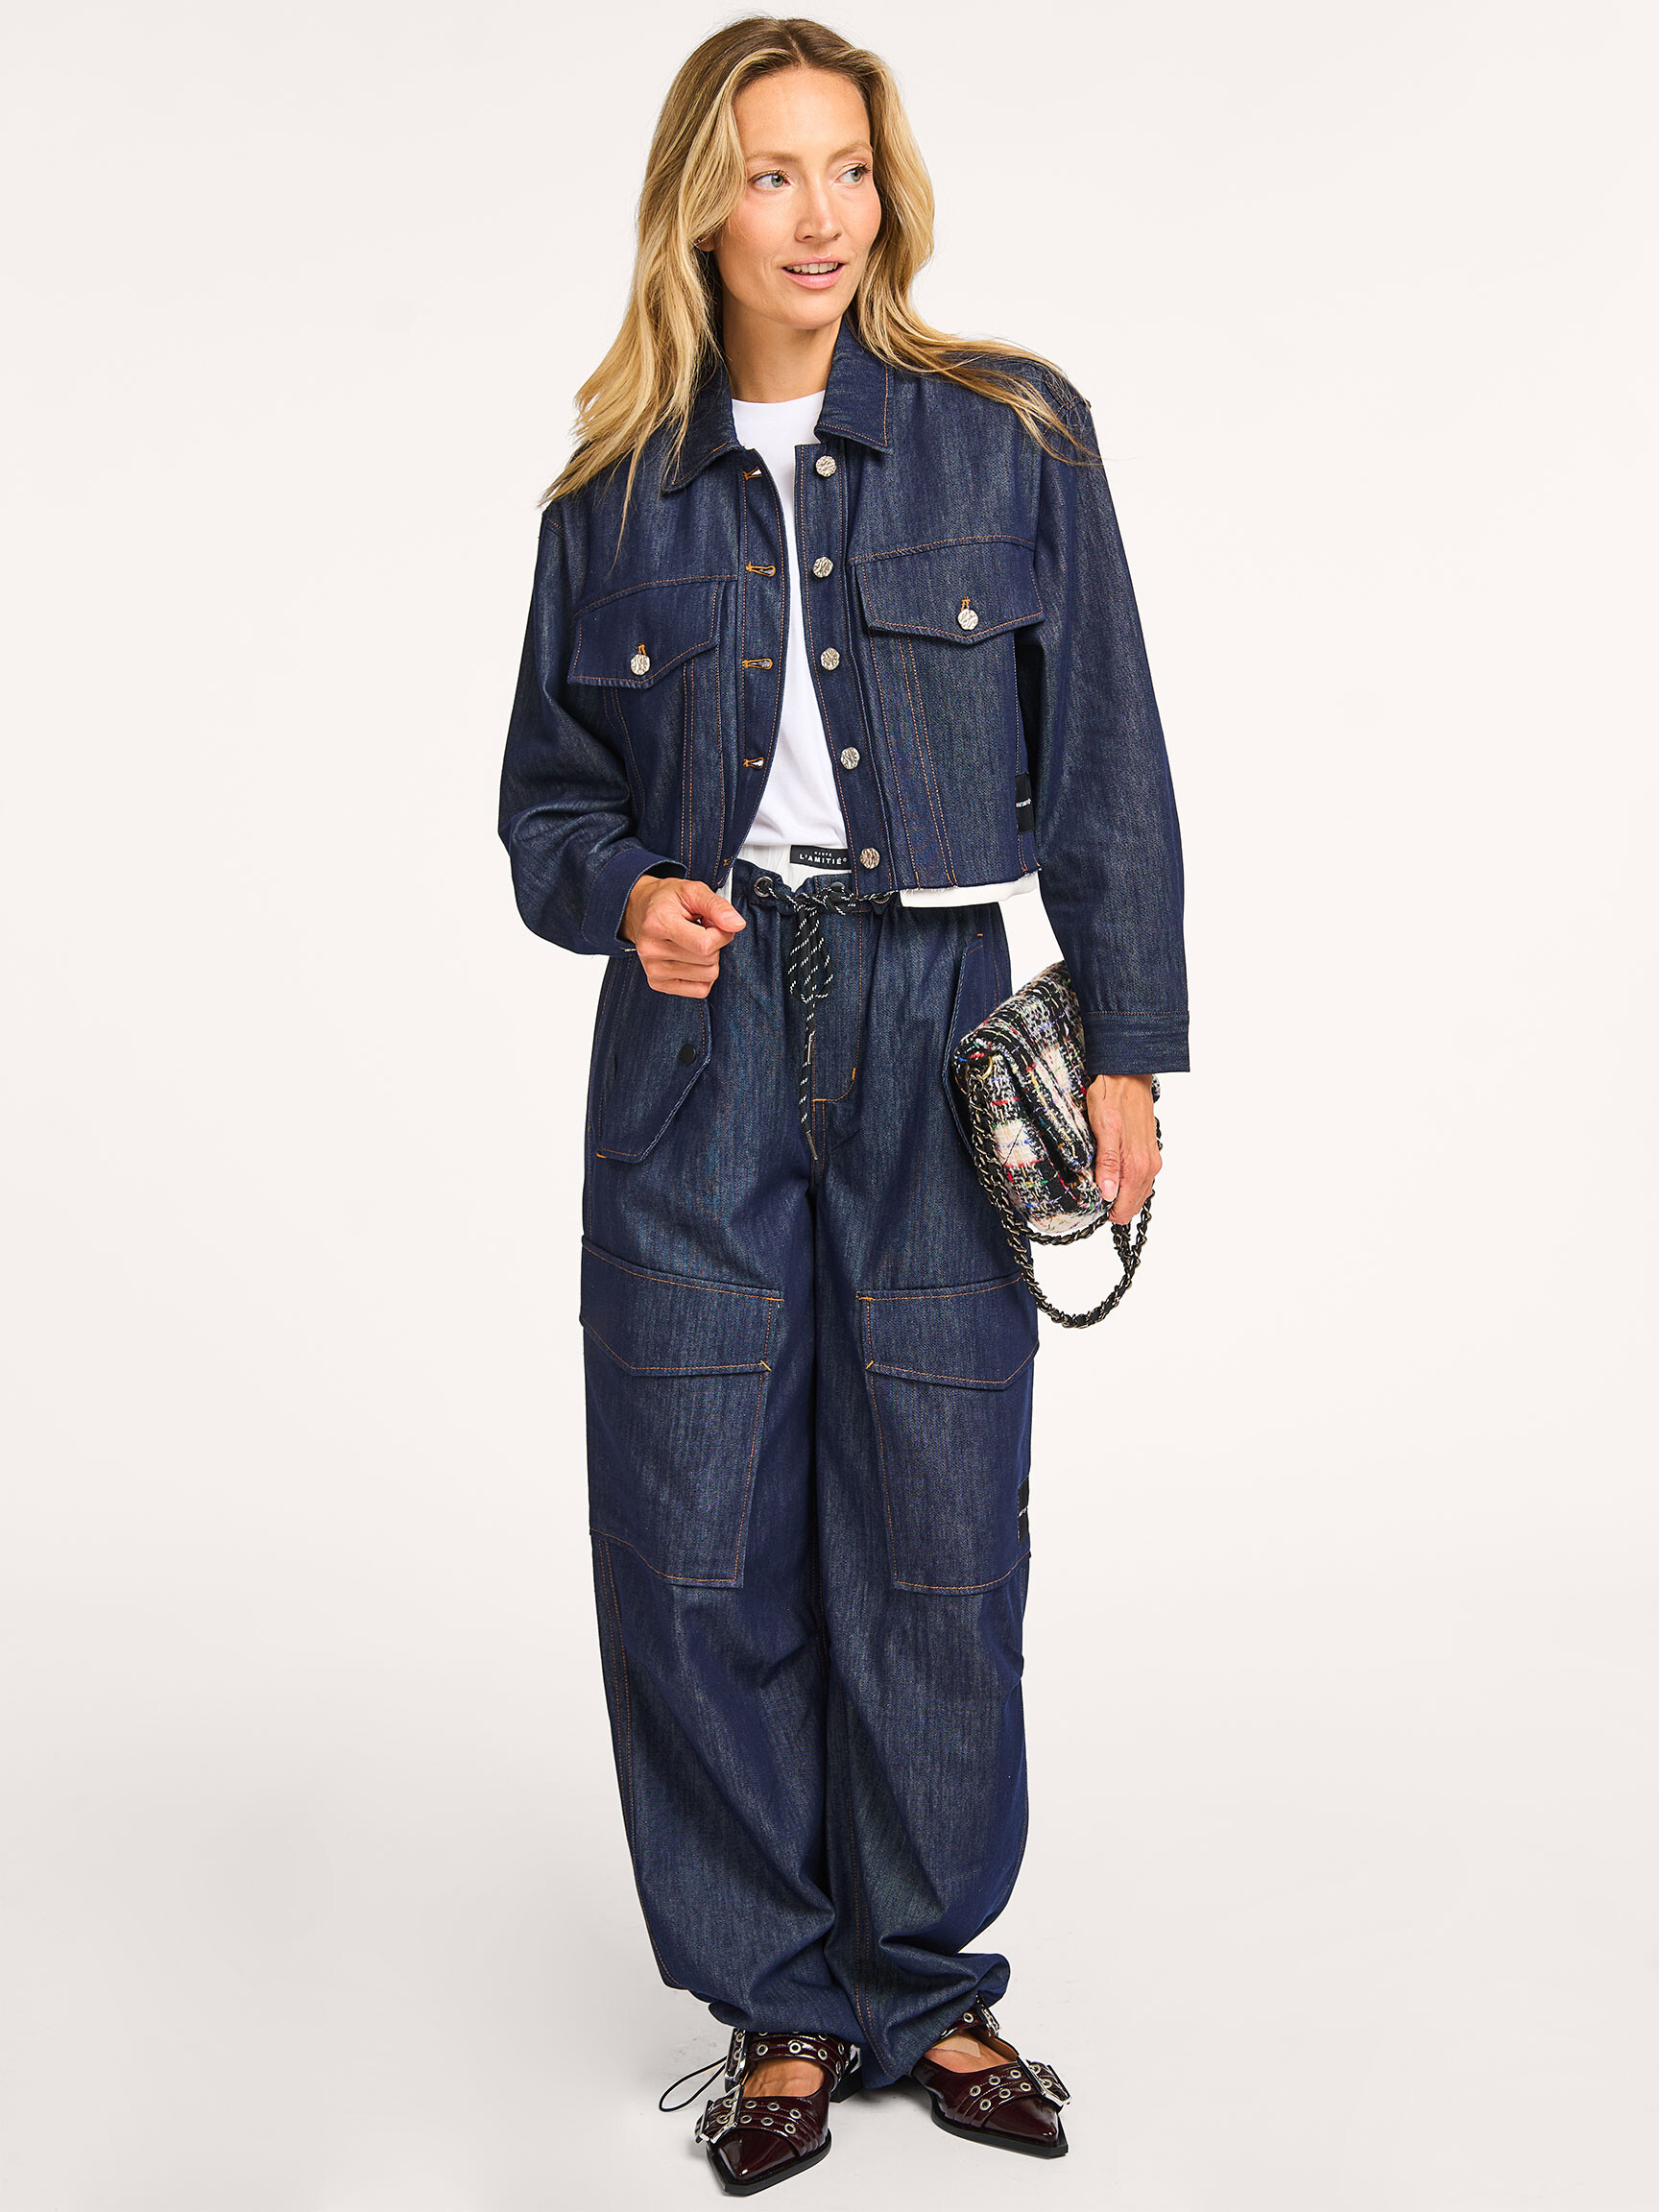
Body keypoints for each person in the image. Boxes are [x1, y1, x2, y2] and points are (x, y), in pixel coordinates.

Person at [496, 14, 1189, 2193]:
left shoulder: (1013, 433)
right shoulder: (611, 496)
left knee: (938, 1528)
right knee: (692, 1536)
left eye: (851, 168)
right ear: (698, 203)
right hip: (697, 1043)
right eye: (774, 171)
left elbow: (1110, 761)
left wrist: (1131, 1045)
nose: (822, 215)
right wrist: (629, 896)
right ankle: (778, 2007)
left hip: (937, 1011)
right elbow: (542, 809)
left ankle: (930, 1987)